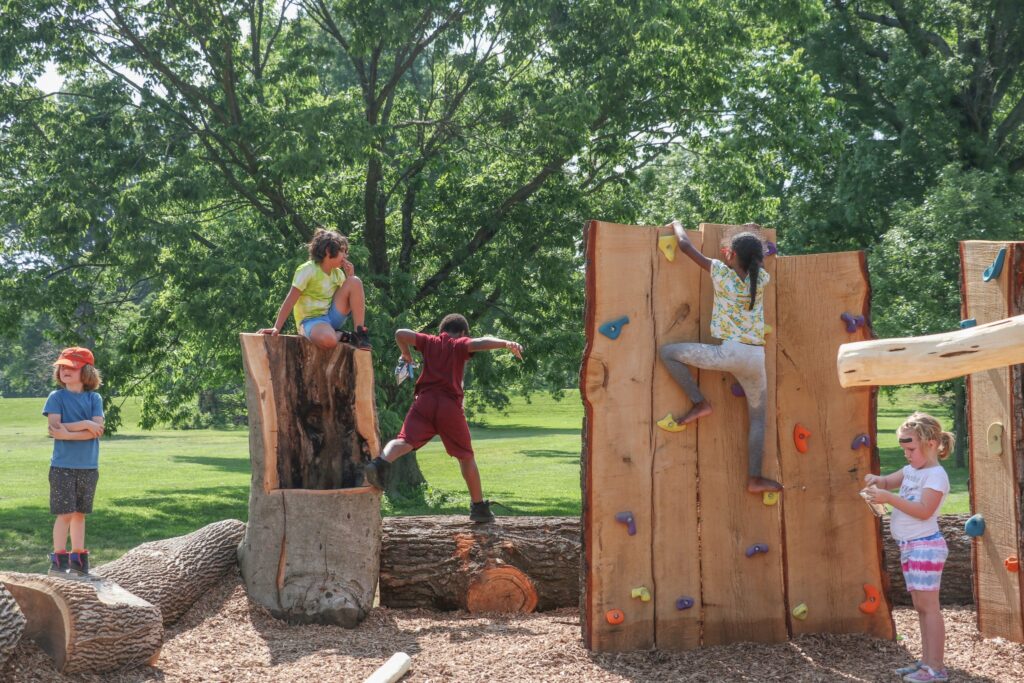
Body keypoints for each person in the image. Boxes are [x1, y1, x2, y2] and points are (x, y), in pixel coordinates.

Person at [658, 220, 782, 493]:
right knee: (758, 420)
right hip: (755, 357)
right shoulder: (761, 279)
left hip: (728, 353)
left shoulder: (720, 273)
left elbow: (685, 245)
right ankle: (754, 478)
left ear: (730, 255)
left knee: (667, 353)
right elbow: (758, 259)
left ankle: (700, 403)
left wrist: (677, 224)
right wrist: (753, 233)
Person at [363, 314, 523, 523]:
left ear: (442, 331)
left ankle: (379, 463)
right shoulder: (459, 344)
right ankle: (478, 508)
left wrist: (406, 354)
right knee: (465, 456)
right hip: (449, 407)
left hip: (424, 403)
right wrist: (505, 343)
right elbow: (480, 342)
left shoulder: (429, 342)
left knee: (404, 440)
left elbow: (400, 333)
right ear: (463, 332)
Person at [864, 412, 952, 682]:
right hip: (911, 547)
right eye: (904, 450)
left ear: (931, 443)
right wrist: (876, 481)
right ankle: (926, 662)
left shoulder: (936, 476)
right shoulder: (912, 471)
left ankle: (936, 668)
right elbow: (889, 481)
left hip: (926, 547)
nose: (907, 455)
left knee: (929, 608)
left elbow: (925, 510)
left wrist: (889, 498)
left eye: (911, 449)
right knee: (921, 607)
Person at [43, 347, 105, 579]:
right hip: (62, 467)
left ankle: (79, 562)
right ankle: (58, 564)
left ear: (86, 370)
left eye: (72, 367)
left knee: (80, 514)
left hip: (88, 467)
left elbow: (96, 431)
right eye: (62, 367)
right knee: (65, 513)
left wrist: (70, 431)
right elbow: (54, 428)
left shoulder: (94, 398)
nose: (65, 370)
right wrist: (85, 423)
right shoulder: (56, 397)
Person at [258, 228, 371, 350]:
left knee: (354, 281)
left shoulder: (338, 274)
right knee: (329, 341)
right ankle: (340, 335)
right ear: (328, 251)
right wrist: (277, 327)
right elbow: (290, 299)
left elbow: (348, 299)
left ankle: (359, 334)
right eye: (342, 251)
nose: (345, 256)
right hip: (311, 321)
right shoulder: (307, 270)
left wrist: (350, 276)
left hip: (331, 317)